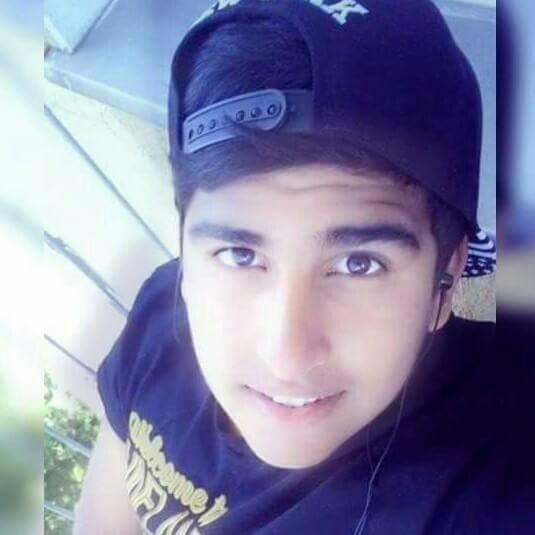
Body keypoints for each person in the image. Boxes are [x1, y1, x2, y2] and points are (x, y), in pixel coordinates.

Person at [73, 1, 522, 534]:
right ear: (187, 251)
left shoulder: (490, 484)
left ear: (446, 280)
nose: (285, 356)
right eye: (240, 255)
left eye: (359, 263)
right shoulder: (159, 312)